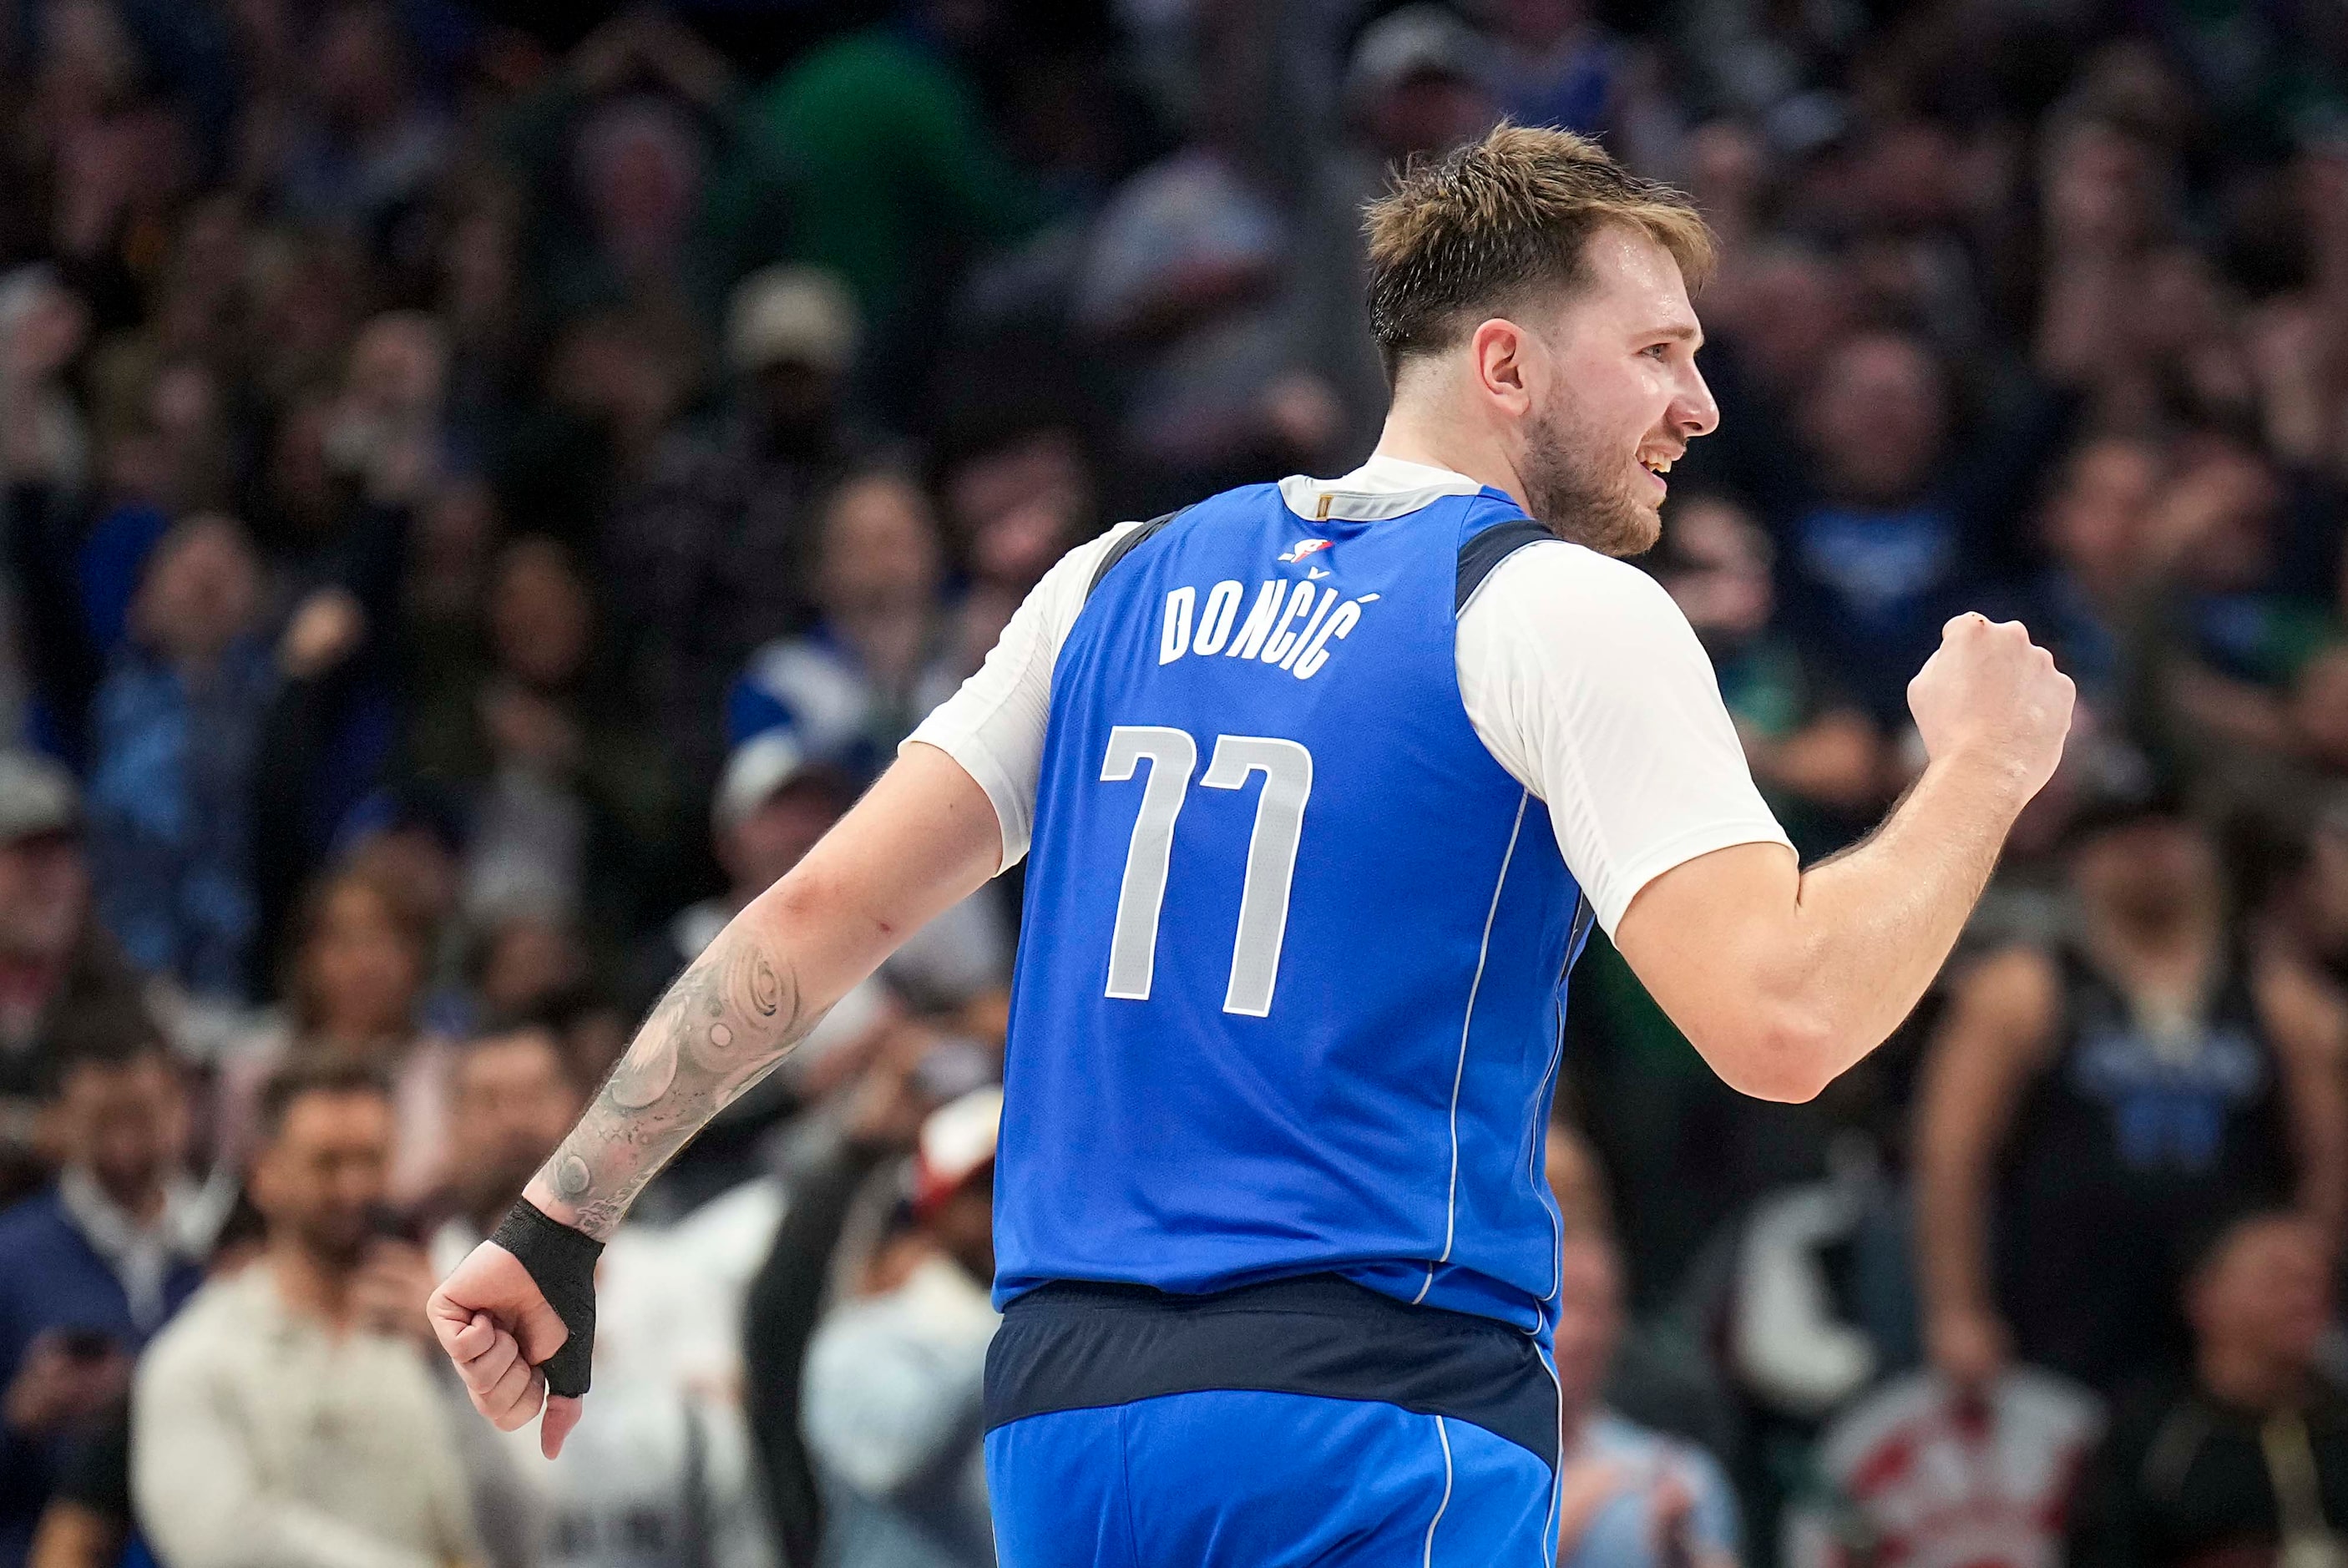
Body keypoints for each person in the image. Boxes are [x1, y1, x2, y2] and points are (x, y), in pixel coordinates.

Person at [433, 124, 2074, 1561]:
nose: (1699, 406)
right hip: (1370, 1418)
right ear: (1504, 366)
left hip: (1071, 1430)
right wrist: (1979, 776)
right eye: (1654, 354)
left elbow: (816, 914)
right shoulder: (1552, 605)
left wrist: (559, 1220)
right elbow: (1780, 1024)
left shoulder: (1111, 579)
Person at [1915, 790, 2348, 1398]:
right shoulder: (2022, 989)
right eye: (2125, 839)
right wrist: (1956, 1308)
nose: (2151, 855)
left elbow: (2328, 1157)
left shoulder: (2279, 996)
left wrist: (2308, 1283)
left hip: (2232, 1319)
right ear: (2083, 859)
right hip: (2064, 1303)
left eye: (2168, 834)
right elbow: (1951, 1158)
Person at [133, 1057, 482, 1568]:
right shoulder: (195, 1356)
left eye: (371, 1160)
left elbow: (523, 1524)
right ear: (263, 1174)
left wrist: (458, 1364)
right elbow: (224, 1542)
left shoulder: (438, 1334)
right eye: (327, 1163)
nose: (353, 1189)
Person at [0, 1015, 210, 1568]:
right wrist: (19, 1419)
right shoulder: (11, 1258)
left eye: (141, 1116)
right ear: (63, 1120)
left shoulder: (231, 1251)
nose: (124, 1144)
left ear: (180, 1108)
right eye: (102, 1120)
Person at [2068, 1210, 2348, 1566]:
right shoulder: (2151, 1435)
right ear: (2203, 1296)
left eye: (2318, 1280)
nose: (2305, 1298)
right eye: (2279, 1279)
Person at [801, 1085, 1003, 1568]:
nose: (1009, 1210)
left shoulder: (1074, 1335)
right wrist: (1018, 1332)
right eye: (987, 1189)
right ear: (936, 1209)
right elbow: (894, 1458)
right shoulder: (862, 1338)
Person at [1551, 1230, 1741, 1568]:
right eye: (1559, 1308)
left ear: (1617, 1326)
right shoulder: (1466, 1464)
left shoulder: (1679, 1473)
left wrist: (1680, 1555)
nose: (1575, 1333)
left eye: (1593, 1309)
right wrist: (1572, 1509)